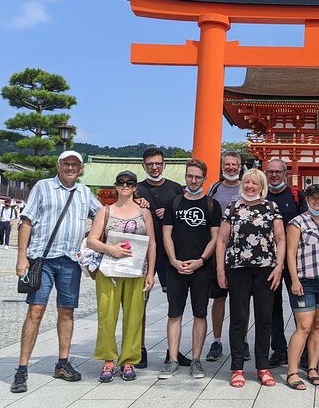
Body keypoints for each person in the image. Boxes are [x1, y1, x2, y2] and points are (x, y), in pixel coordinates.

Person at [11, 151, 101, 393]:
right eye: (66, 164)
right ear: (58, 165)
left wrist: (136, 202)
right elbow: (26, 221)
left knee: (66, 312)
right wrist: (22, 256)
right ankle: (21, 369)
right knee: (36, 311)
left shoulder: (84, 193)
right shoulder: (43, 186)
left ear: (81, 169)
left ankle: (62, 362)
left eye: (75, 165)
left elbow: (103, 214)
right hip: (43, 259)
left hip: (71, 260)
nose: (71, 168)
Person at [216, 168, 286, 388]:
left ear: (261, 185)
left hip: (266, 269)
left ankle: (262, 367)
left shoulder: (271, 207)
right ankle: (237, 367)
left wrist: (279, 267)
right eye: (247, 182)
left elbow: (281, 238)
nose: (250, 186)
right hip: (237, 269)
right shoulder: (233, 208)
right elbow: (221, 240)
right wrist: (220, 270)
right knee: (238, 318)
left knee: (264, 319)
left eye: (255, 183)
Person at [86, 171, 157, 382]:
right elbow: (92, 240)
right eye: (121, 183)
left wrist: (151, 273)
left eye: (130, 183)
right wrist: (110, 249)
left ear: (136, 187)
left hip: (137, 270)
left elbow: (152, 243)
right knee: (107, 315)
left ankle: (129, 360)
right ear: (116, 186)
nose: (125, 186)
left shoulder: (144, 213)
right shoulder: (105, 211)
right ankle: (108, 359)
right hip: (109, 271)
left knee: (134, 316)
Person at [159, 159, 221, 380]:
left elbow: (216, 237)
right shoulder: (173, 202)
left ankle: (196, 360)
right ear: (185, 177)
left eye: (198, 177)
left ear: (205, 179)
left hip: (201, 268)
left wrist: (201, 260)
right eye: (190, 176)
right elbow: (167, 233)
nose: (193, 180)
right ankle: (173, 360)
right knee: (174, 314)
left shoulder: (212, 204)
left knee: (200, 313)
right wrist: (174, 260)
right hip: (175, 267)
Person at [136, 147, 190, 369]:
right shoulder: (135, 188)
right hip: (143, 252)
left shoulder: (176, 189)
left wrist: (168, 213)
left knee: (174, 303)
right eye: (150, 164)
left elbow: (185, 218)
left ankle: (173, 351)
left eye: (158, 163)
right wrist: (140, 208)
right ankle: (137, 349)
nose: (154, 167)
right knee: (139, 302)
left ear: (165, 164)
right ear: (144, 166)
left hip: (169, 254)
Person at [285, 184, 319, 390]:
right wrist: (294, 280)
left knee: (318, 326)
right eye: (312, 197)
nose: (316, 200)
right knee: (304, 327)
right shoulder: (297, 222)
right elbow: (290, 253)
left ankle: (313, 367)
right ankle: (292, 371)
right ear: (307, 199)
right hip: (304, 280)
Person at [264, 158, 307, 368]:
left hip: (293, 259)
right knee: (272, 306)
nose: (273, 175)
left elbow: (308, 223)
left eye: (277, 172)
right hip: (268, 260)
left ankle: (304, 350)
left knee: (300, 304)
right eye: (270, 172)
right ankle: (279, 348)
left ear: (285, 174)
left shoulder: (296, 196)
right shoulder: (261, 195)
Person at [205, 151, 246, 362]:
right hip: (218, 250)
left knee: (241, 300)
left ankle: (242, 340)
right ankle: (217, 340)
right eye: (227, 164)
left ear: (240, 167)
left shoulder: (247, 187)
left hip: (242, 251)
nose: (230, 168)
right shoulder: (214, 188)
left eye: (234, 165)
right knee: (219, 298)